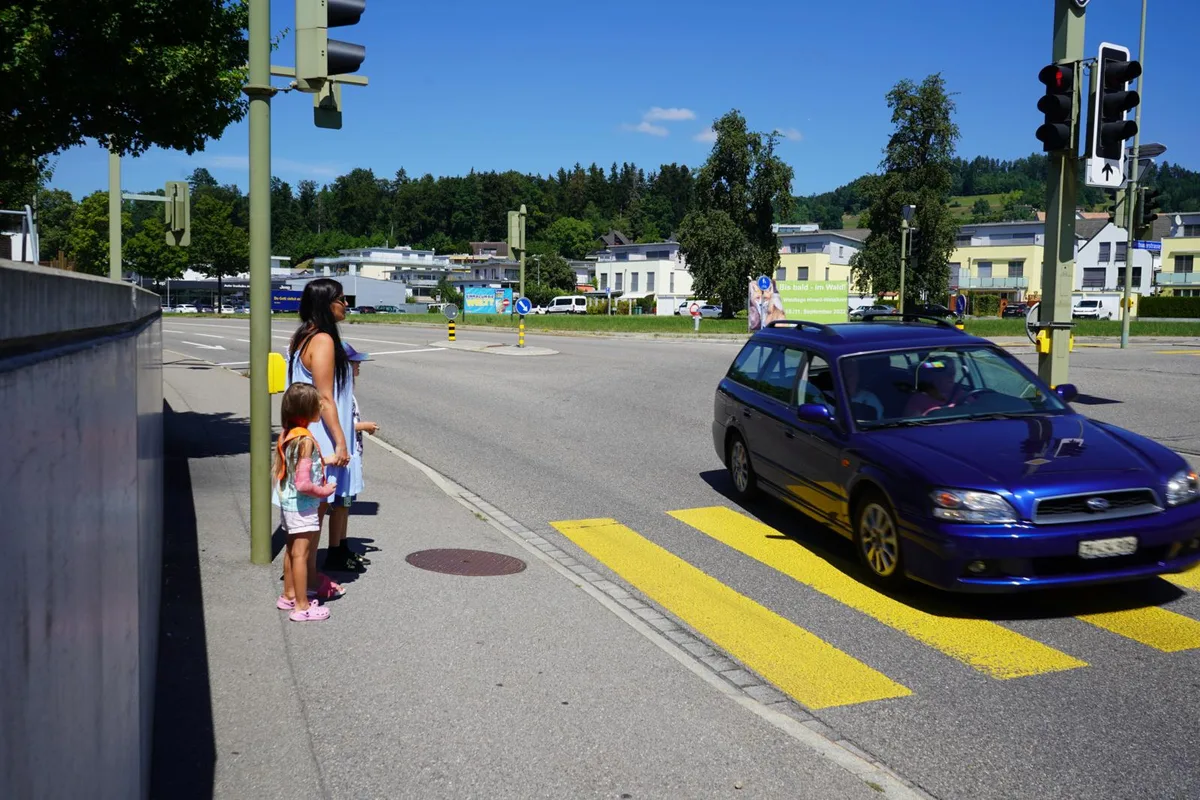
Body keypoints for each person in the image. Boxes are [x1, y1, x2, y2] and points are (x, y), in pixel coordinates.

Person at [286, 278, 362, 588]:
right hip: (321, 439)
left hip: (306, 433)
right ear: (325, 303)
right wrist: (342, 442)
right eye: (341, 300)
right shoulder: (322, 341)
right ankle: (303, 589)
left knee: (304, 520)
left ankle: (302, 584)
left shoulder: (302, 336)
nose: (346, 305)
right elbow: (325, 397)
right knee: (311, 520)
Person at [272, 383, 335, 622]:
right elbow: (303, 483)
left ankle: (288, 595)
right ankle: (302, 606)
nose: (321, 407)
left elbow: (299, 469)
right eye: (317, 404)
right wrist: (323, 490)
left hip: (289, 503)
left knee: (290, 550)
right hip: (303, 505)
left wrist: (327, 460)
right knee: (301, 554)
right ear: (307, 410)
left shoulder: (289, 434)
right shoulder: (306, 441)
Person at [338, 343, 380, 563]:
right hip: (345, 458)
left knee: (345, 506)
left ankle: (341, 546)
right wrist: (363, 426)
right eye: (355, 362)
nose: (359, 365)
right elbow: (342, 423)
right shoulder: (339, 393)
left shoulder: (346, 391)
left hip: (351, 456)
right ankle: (337, 551)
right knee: (341, 505)